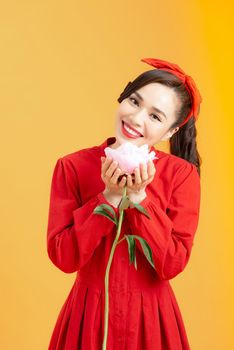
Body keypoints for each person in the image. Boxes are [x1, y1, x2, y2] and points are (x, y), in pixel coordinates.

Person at [46, 57, 202, 349]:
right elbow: (64, 258)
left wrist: (141, 198)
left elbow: (172, 264)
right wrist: (110, 197)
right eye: (134, 101)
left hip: (151, 321)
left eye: (155, 116)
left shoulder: (182, 176)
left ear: (170, 132)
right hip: (89, 317)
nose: (136, 118)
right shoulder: (72, 167)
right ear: (123, 97)